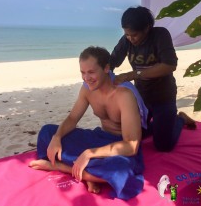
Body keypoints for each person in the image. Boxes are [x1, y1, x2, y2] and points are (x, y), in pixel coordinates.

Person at [29, 46, 148, 200]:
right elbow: (72, 119)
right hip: (99, 137)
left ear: (106, 68)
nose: (86, 78)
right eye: (83, 73)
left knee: (121, 170)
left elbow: (131, 146)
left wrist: (89, 153)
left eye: (91, 72)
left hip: (120, 146)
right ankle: (89, 175)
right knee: (48, 132)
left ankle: (60, 166)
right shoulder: (87, 89)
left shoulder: (123, 95)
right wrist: (57, 137)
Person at [110, 6, 196, 152]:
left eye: (134, 35)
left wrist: (133, 74)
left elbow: (169, 65)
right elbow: (111, 62)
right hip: (141, 98)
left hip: (163, 96)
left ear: (147, 28)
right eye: (127, 34)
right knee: (135, 136)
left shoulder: (160, 35)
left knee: (163, 146)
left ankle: (180, 118)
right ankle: (161, 125)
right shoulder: (126, 40)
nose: (130, 39)